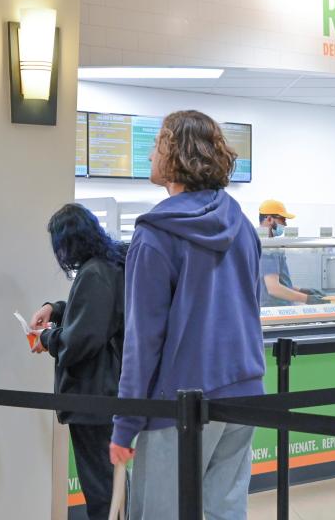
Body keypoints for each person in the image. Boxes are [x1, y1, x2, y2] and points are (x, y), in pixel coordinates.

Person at [109, 110, 265, 520]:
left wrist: (125, 425)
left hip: (179, 404)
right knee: (224, 513)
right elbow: (252, 307)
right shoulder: (242, 226)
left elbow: (143, 341)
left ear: (175, 153)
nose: (150, 155)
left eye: (156, 144)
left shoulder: (155, 235)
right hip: (244, 394)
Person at [29, 203, 126, 520]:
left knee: (100, 488)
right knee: (113, 484)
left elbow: (81, 340)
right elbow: (95, 313)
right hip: (108, 391)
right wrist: (56, 308)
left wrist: (47, 337)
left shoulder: (94, 273)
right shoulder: (111, 264)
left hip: (92, 393)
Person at [258, 199, 335, 306]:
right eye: (282, 219)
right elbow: (274, 288)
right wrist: (308, 299)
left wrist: (303, 291)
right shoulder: (268, 248)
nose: (285, 224)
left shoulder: (266, 243)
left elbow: (276, 283)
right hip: (274, 308)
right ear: (269, 219)